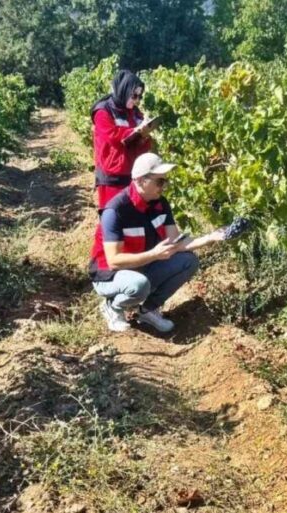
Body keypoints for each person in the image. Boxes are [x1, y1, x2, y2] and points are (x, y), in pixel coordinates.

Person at [87, 153, 226, 333]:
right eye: (159, 181)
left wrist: (210, 238)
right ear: (140, 180)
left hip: (142, 266)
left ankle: (147, 310)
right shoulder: (115, 211)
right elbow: (114, 261)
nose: (164, 186)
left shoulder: (160, 204)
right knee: (139, 285)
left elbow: (175, 243)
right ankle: (113, 307)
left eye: (165, 181)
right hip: (110, 275)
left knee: (188, 261)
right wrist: (154, 255)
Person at [91, 69, 157, 211]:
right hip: (112, 178)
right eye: (134, 96)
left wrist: (144, 135)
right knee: (112, 215)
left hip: (132, 173)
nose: (137, 100)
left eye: (140, 96)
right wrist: (135, 131)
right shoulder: (103, 112)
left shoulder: (134, 112)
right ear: (123, 91)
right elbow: (112, 136)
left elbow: (140, 140)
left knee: (129, 216)